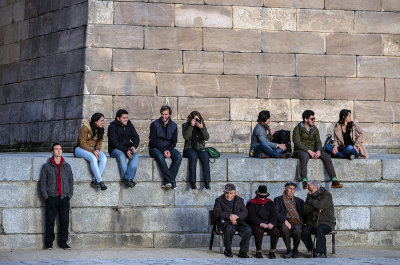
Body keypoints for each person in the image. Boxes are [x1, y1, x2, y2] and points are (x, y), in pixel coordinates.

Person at [293, 110, 343, 189]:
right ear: (306, 119)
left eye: (314, 118)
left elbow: (318, 142)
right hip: (301, 150)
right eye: (311, 119)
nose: (313, 120)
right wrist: (309, 151)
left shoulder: (314, 129)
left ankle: (334, 180)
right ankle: (304, 181)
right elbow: (297, 142)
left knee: (326, 157)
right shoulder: (297, 129)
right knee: (304, 156)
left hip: (313, 150)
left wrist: (319, 151)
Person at [39, 143, 74, 250]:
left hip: (64, 198)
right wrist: (46, 196)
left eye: (60, 149)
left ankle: (63, 243)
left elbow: (71, 181)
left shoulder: (67, 166)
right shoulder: (46, 167)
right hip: (51, 197)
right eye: (56, 149)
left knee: (64, 221)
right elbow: (42, 183)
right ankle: (48, 244)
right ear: (52, 152)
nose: (59, 151)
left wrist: (69, 195)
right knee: (49, 222)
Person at [213, 183, 252, 258]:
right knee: (229, 229)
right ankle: (228, 250)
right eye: (226, 193)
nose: (228, 195)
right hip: (226, 222)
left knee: (248, 230)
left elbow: (245, 212)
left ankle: (243, 251)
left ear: (234, 193)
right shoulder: (219, 200)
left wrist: (236, 217)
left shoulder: (239, 200)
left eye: (231, 193)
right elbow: (216, 212)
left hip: (238, 222)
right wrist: (229, 216)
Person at [149, 105, 182, 190]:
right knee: (160, 157)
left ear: (169, 115)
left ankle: (167, 181)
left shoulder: (174, 125)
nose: (164, 116)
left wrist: (169, 150)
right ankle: (172, 181)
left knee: (178, 156)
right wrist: (163, 150)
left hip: (168, 148)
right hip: (155, 148)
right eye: (162, 114)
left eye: (166, 114)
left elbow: (174, 141)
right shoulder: (154, 124)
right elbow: (153, 141)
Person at [301, 180, 335, 258]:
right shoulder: (309, 195)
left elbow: (321, 205)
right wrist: (316, 207)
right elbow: (305, 209)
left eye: (310, 190)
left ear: (317, 188)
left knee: (320, 229)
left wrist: (312, 202)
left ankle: (322, 253)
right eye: (308, 190)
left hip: (326, 222)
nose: (309, 192)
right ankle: (313, 250)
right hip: (312, 222)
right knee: (304, 231)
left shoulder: (327, 195)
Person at [74, 113, 107, 190]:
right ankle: (100, 181)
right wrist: (92, 151)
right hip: (80, 149)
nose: (103, 122)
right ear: (95, 121)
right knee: (93, 158)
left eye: (103, 120)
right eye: (101, 121)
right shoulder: (85, 128)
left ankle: (95, 180)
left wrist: (97, 150)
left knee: (104, 158)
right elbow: (82, 143)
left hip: (93, 149)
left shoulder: (101, 129)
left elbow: (99, 142)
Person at [108, 109, 140, 188]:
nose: (126, 119)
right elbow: (114, 142)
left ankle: (128, 178)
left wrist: (134, 146)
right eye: (124, 118)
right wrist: (126, 150)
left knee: (135, 155)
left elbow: (136, 137)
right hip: (114, 149)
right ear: (118, 118)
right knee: (121, 155)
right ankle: (127, 179)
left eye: (127, 117)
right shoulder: (112, 127)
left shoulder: (129, 125)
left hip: (127, 148)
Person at [247, 185, 280, 259]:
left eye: (264, 196)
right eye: (260, 196)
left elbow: (274, 215)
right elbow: (251, 216)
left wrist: (271, 223)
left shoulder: (270, 203)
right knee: (258, 231)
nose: (262, 198)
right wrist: (260, 223)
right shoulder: (252, 203)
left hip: (268, 223)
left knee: (275, 231)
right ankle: (258, 250)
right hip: (257, 224)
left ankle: (272, 250)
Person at [274, 181, 304, 258]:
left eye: (293, 189)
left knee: (298, 230)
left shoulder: (299, 201)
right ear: (285, 189)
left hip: (297, 221)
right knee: (284, 228)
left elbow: (304, 212)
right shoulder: (278, 200)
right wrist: (285, 220)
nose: (291, 191)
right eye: (290, 188)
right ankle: (289, 249)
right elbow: (276, 213)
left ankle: (295, 250)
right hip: (285, 221)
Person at [182, 111, 210, 190]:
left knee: (205, 156)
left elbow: (207, 137)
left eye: (198, 119)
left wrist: (201, 128)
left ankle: (207, 182)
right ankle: (192, 182)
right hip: (189, 148)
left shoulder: (202, 125)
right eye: (195, 119)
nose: (196, 121)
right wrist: (191, 126)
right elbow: (186, 137)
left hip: (200, 148)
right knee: (193, 156)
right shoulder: (185, 125)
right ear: (191, 119)